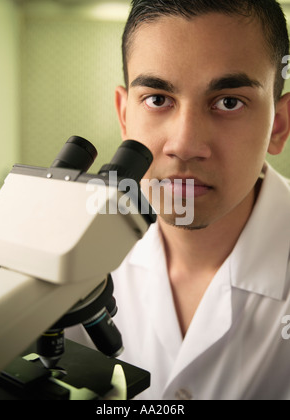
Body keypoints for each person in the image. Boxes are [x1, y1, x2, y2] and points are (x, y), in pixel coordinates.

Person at [67, 0, 290, 400]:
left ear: (280, 125)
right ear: (125, 117)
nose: (185, 145)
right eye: (157, 99)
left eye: (228, 102)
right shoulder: (74, 250)